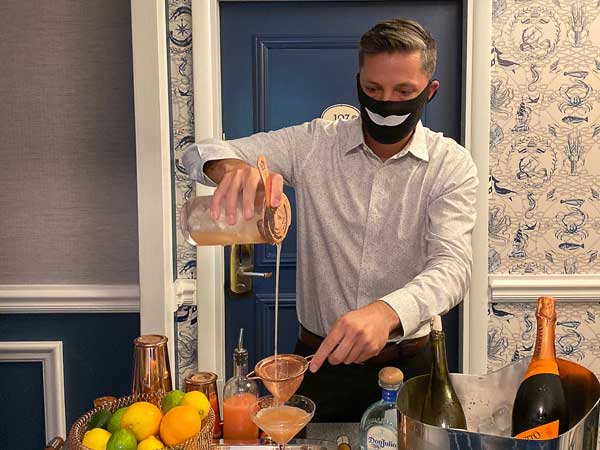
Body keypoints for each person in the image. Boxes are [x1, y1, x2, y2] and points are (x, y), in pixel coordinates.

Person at [182, 18, 478, 422]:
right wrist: (231, 168)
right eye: (374, 89)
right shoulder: (314, 143)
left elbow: (453, 266)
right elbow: (196, 153)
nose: (387, 103)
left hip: (411, 367)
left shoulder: (452, 164)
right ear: (358, 84)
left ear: (430, 91)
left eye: (404, 91)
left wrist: (386, 312)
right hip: (319, 365)